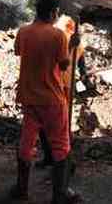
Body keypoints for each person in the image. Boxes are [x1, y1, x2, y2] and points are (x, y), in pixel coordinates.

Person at [11, 0, 80, 204]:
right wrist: (71, 46)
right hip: (51, 98)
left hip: (29, 97)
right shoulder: (58, 35)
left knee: (26, 144)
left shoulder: (23, 31)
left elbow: (18, 51)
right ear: (51, 13)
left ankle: (21, 190)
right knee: (61, 146)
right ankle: (60, 194)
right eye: (56, 13)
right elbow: (64, 65)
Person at [37, 15, 86, 169]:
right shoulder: (65, 42)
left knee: (53, 125)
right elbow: (74, 66)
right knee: (55, 125)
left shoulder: (68, 42)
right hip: (58, 86)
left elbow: (76, 67)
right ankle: (55, 159)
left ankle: (59, 159)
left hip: (58, 86)